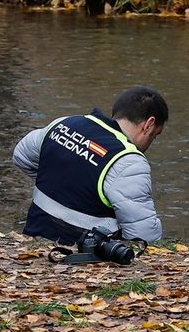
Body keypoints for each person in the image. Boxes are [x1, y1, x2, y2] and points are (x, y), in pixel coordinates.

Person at [13, 87, 166, 245]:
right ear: (149, 124)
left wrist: (61, 182)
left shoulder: (65, 123)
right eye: (154, 136)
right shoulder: (129, 161)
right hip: (81, 256)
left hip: (32, 239)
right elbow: (144, 235)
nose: (150, 143)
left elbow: (21, 157)